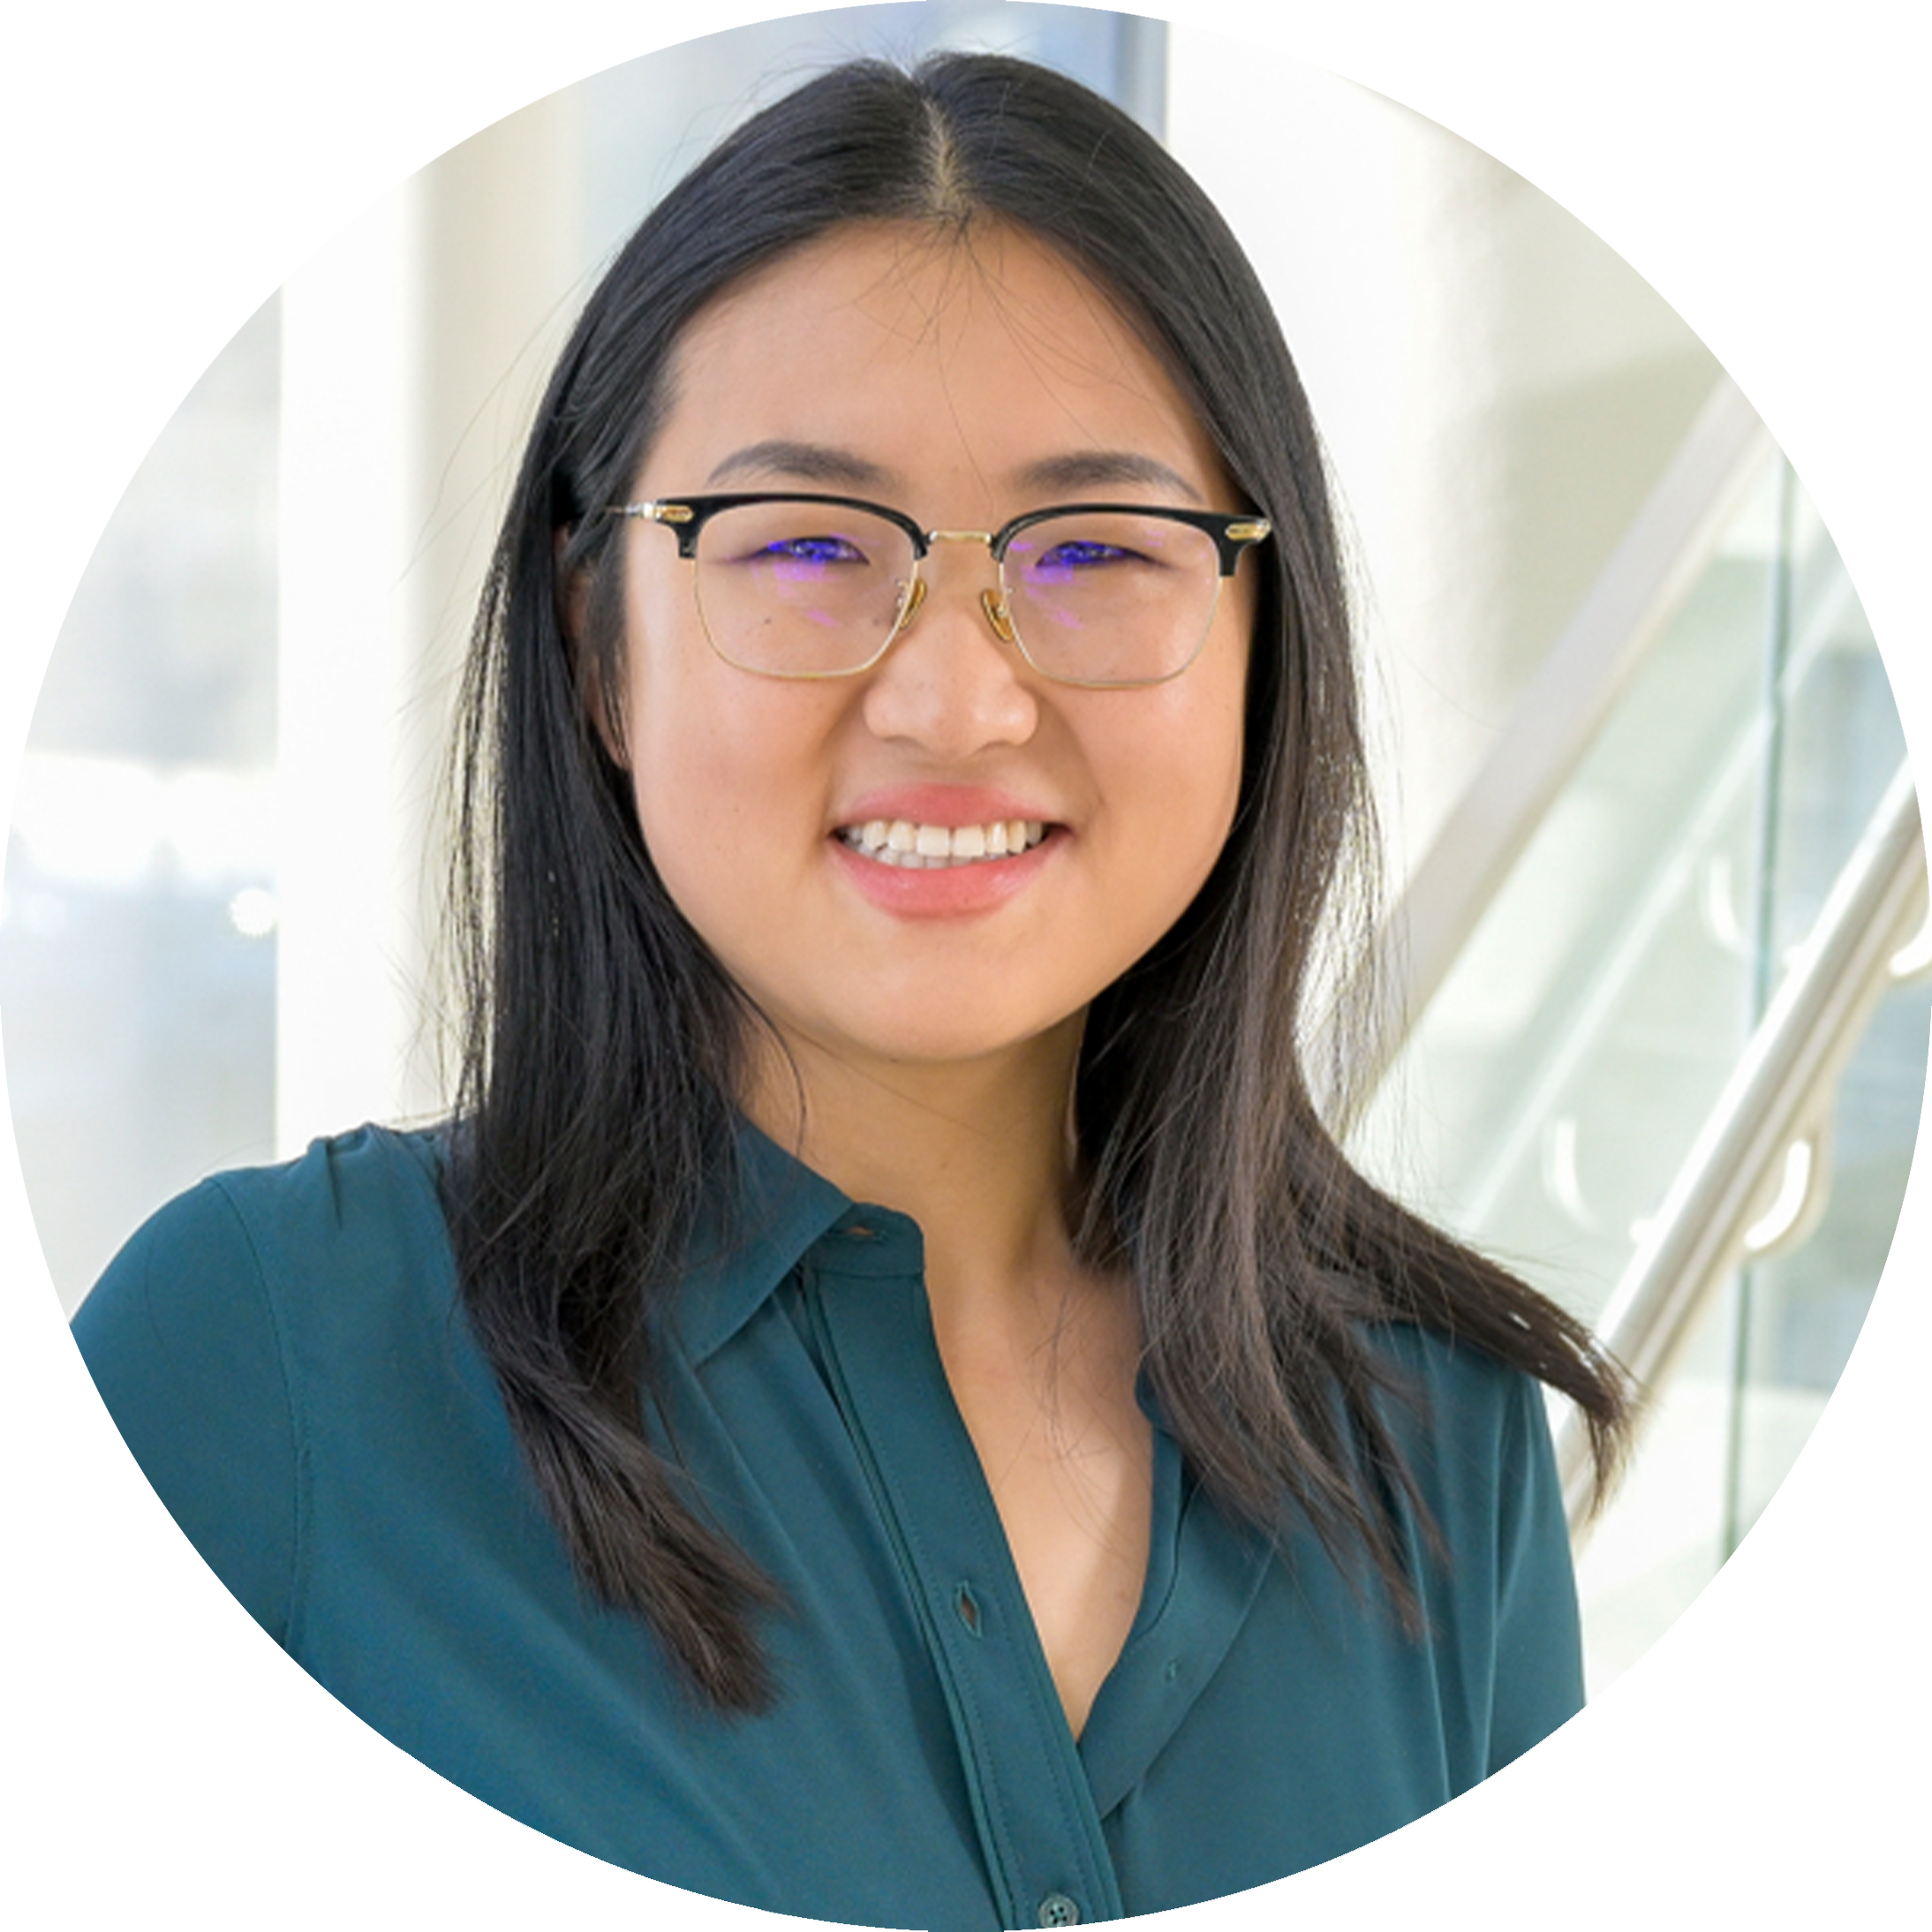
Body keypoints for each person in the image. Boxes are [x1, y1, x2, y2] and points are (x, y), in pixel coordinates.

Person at [0, 50, 1628, 1931]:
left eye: (1095, 550)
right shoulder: (274, 1359)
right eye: (800, 549)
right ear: (595, 642)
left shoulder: (1431, 1430)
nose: (956, 699)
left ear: (1264, 640)